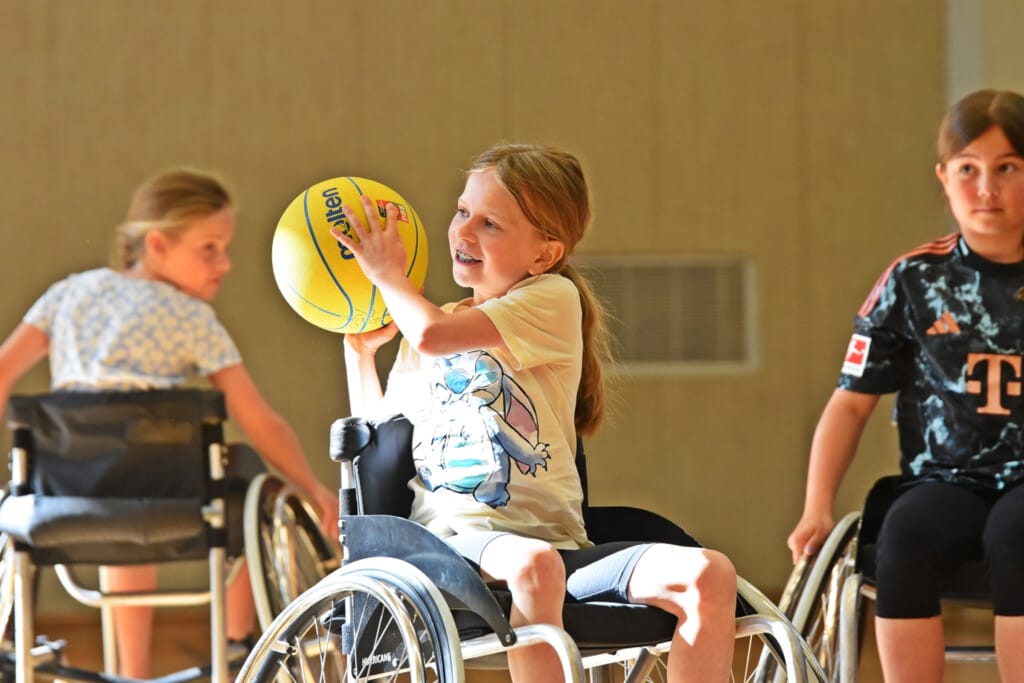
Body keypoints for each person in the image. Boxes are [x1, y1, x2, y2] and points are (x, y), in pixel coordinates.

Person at [336, 143, 738, 682]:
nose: (464, 231)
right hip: (455, 546)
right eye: (462, 212)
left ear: (544, 255)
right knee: (534, 566)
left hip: (561, 546)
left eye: (490, 224)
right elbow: (381, 439)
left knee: (710, 573)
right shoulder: (429, 326)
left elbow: (433, 334)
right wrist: (359, 355)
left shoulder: (550, 298)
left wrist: (387, 275)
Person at [0, 168, 339, 678]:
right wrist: (312, 487)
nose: (224, 264)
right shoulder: (192, 318)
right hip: (168, 495)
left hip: (68, 495)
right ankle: (238, 641)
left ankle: (131, 672)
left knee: (121, 477)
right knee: (261, 487)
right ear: (156, 244)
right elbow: (261, 421)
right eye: (210, 248)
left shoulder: (67, 295)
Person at [787, 88, 1024, 683]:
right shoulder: (914, 279)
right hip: (944, 479)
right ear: (944, 178)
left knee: (1016, 534)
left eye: (1007, 169)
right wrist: (817, 506)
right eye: (968, 170)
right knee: (905, 534)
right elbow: (850, 403)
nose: (986, 188)